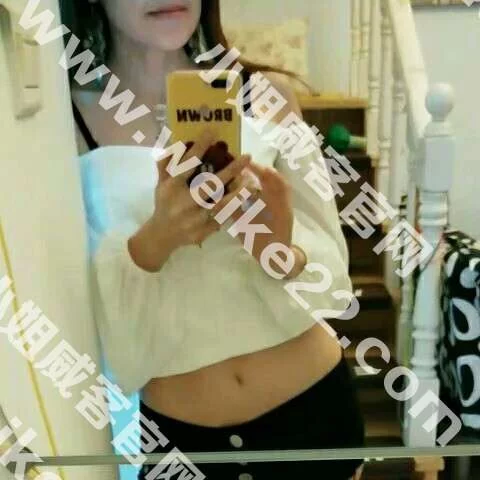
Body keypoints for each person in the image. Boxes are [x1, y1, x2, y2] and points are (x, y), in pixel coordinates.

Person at [61, 0, 365, 478]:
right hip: (182, 445)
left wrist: (278, 250)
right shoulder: (63, 123)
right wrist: (154, 242)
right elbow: (80, 312)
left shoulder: (266, 96)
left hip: (312, 416)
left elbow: (332, 273)